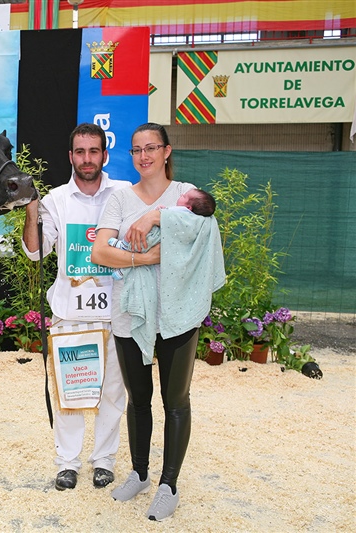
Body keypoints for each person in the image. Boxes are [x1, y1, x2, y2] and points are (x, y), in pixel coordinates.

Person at [91, 123, 224, 521]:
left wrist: (154, 215)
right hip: (131, 314)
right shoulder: (117, 198)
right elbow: (100, 252)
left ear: (167, 151)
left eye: (151, 148)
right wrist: (147, 258)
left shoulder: (186, 196)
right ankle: (140, 473)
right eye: (136, 150)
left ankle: (169, 484)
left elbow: (206, 233)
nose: (143, 156)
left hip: (177, 315)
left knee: (175, 399)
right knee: (138, 398)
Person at [22, 123, 131, 491]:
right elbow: (35, 251)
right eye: (80, 152)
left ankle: (103, 460)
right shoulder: (55, 200)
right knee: (69, 391)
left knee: (113, 392)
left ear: (104, 155)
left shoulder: (124, 194)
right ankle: (67, 463)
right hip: (71, 311)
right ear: (70, 157)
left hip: (115, 311)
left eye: (94, 151)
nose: (87, 159)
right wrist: (31, 207)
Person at [108, 189, 216, 280]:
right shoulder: (193, 219)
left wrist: (158, 212)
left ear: (188, 208)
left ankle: (123, 245)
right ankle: (123, 271)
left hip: (154, 238)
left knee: (135, 231)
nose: (181, 195)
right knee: (140, 247)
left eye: (184, 196)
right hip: (161, 242)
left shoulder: (182, 212)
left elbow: (167, 217)